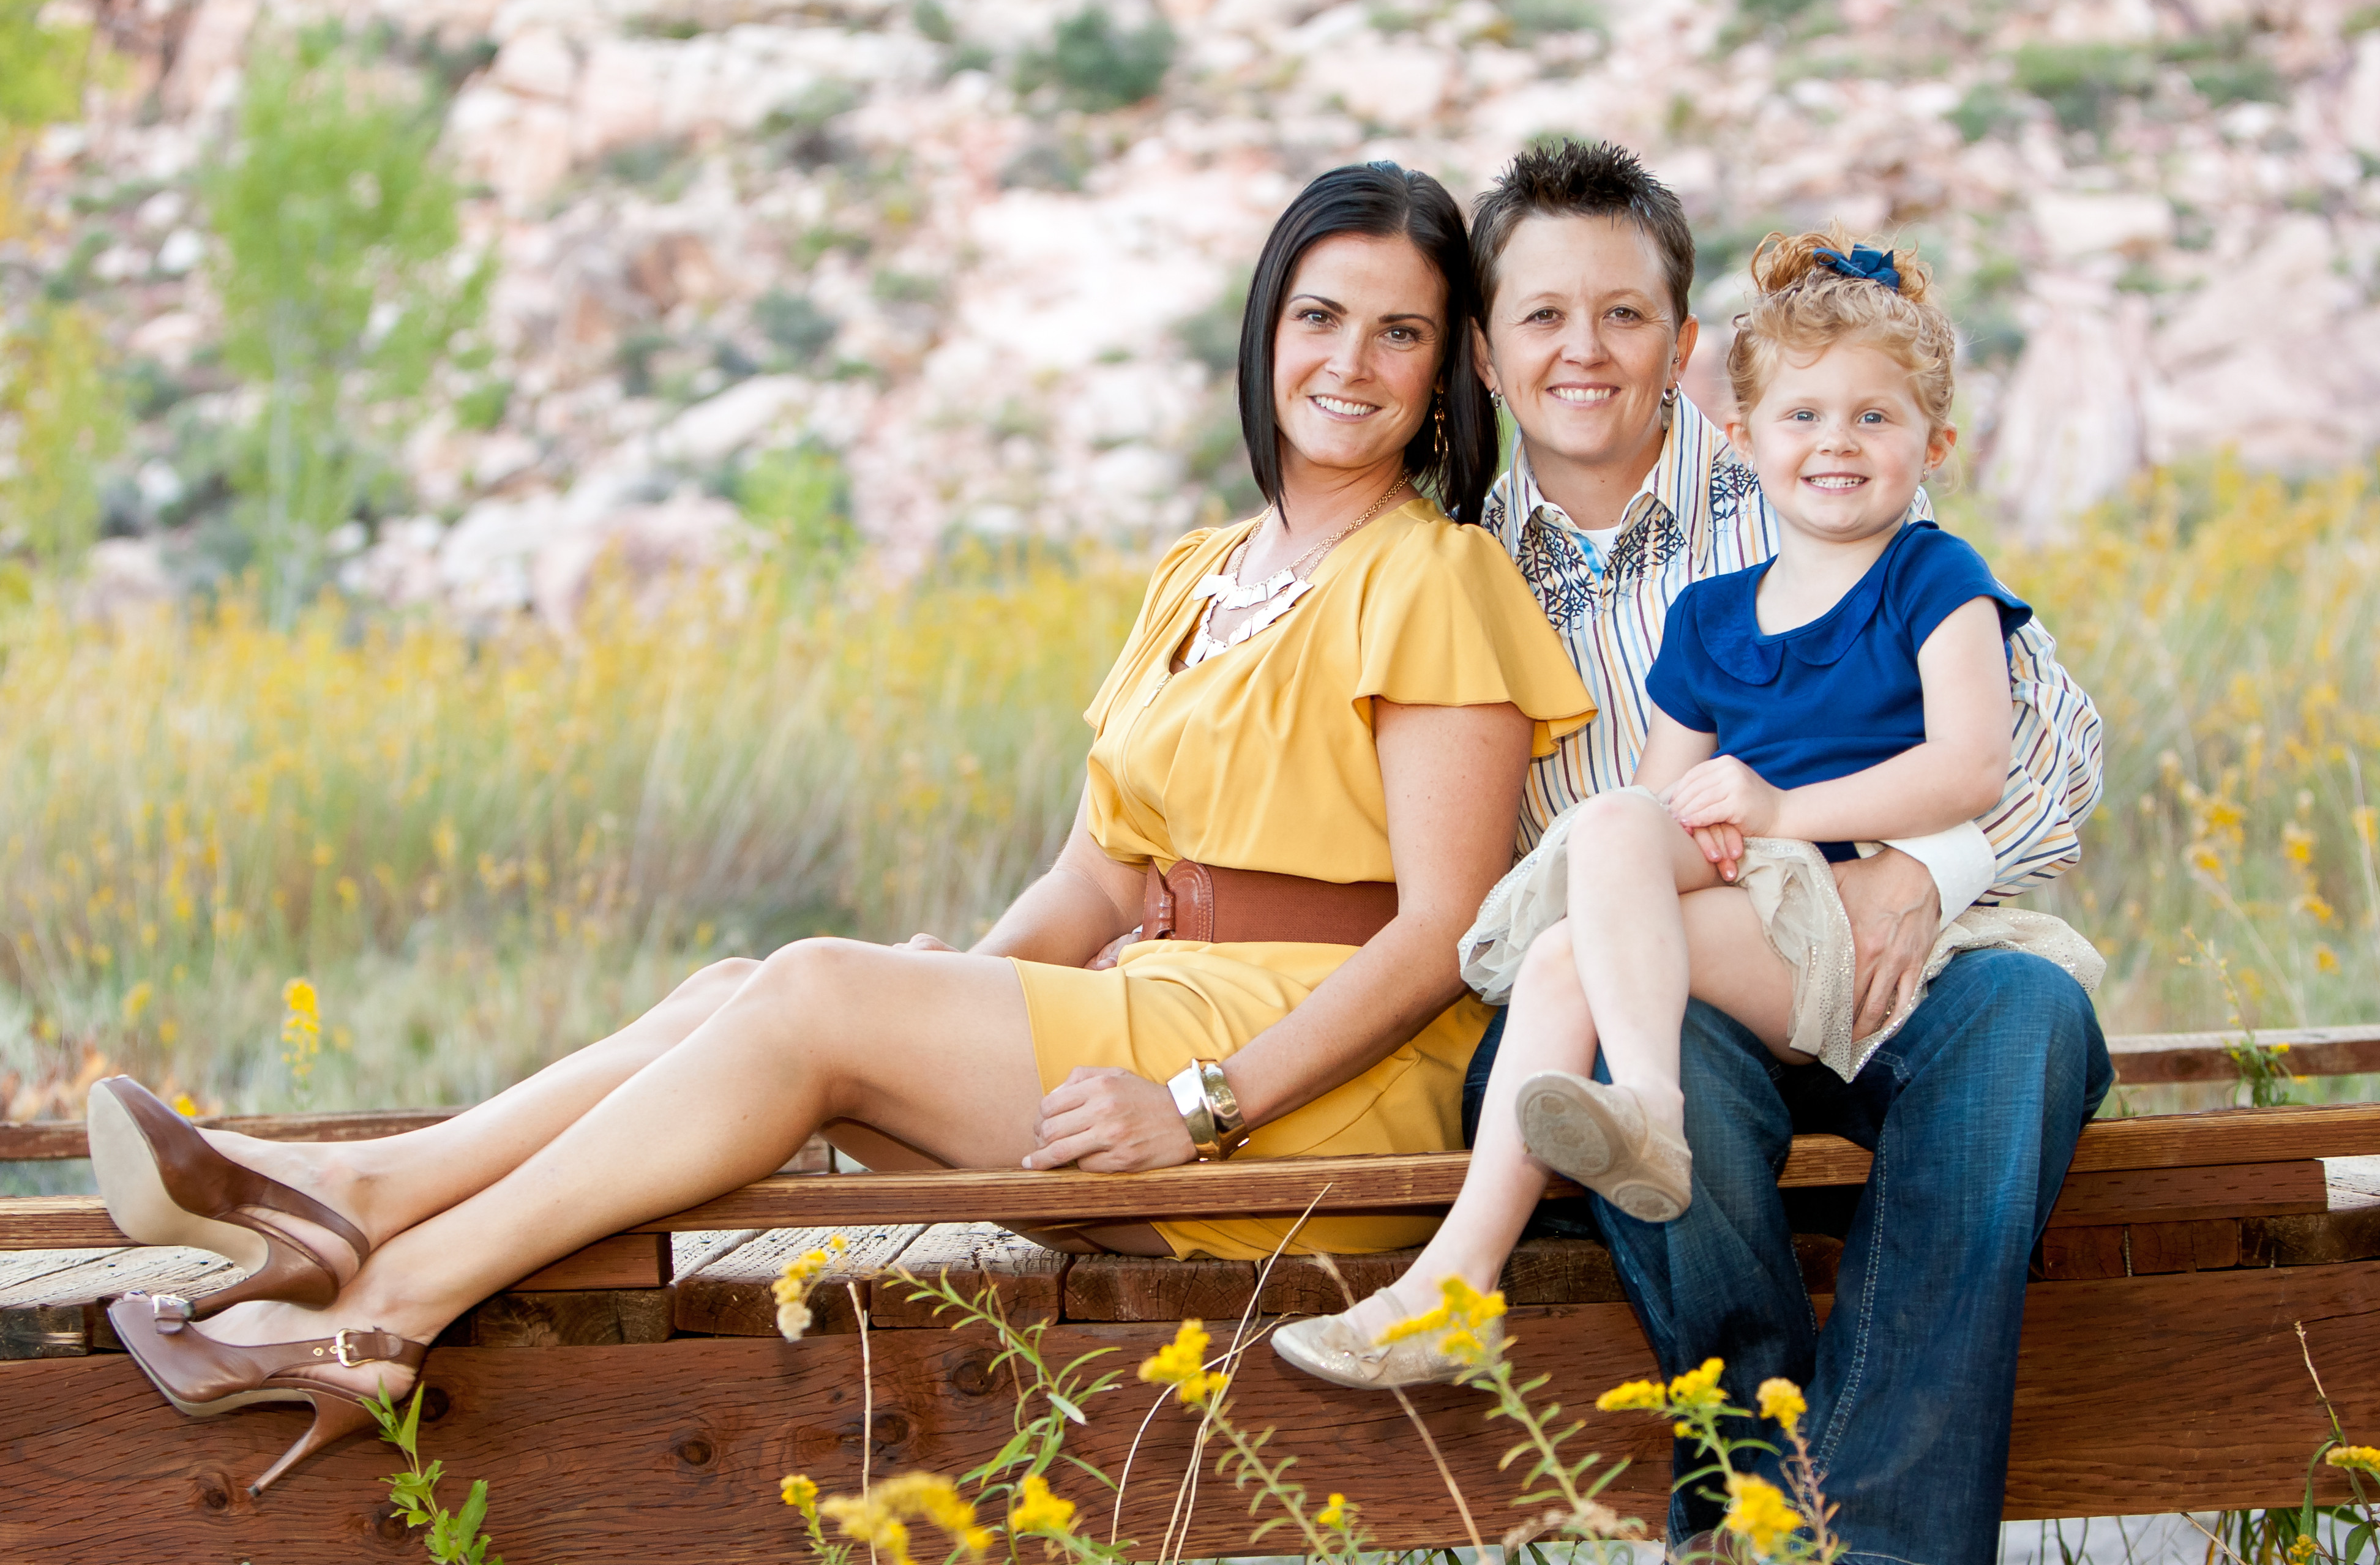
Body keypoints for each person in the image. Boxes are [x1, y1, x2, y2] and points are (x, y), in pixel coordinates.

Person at [84, 160, 1594, 1496]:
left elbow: (1440, 937)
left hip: (1301, 1090)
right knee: (736, 996)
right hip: (1147, 1011)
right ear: (1265, 331)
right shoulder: (1202, 571)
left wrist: (1203, 1105)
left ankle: (380, 1291)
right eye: (1320, 317)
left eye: (1400, 333)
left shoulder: (1437, 576)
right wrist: (943, 989)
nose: (1352, 362)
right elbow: (1098, 875)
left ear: (1446, 374)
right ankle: (361, 1204)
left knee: (810, 989)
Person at [1293, 141, 2110, 1565]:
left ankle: (1867, 1542)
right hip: (1650, 995)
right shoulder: (1450, 566)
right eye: (1543, 316)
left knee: (2032, 1020)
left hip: (1881, 945)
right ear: (1486, 353)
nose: (1584, 351)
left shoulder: (1812, 463)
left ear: (1682, 348)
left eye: (1623, 314)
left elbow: (2054, 747)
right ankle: (1752, 1496)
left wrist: (1925, 873)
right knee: (1617, 1038)